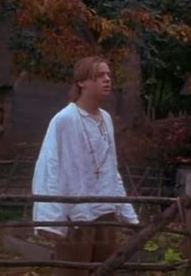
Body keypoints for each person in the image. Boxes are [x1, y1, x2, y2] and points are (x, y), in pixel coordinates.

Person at [32, 56, 139, 276]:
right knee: (73, 271)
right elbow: (48, 165)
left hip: (106, 207)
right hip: (77, 211)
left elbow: (110, 166)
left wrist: (126, 211)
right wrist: (52, 216)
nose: (107, 80)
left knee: (105, 269)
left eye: (109, 75)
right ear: (82, 82)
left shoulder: (106, 118)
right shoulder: (64, 119)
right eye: (100, 75)